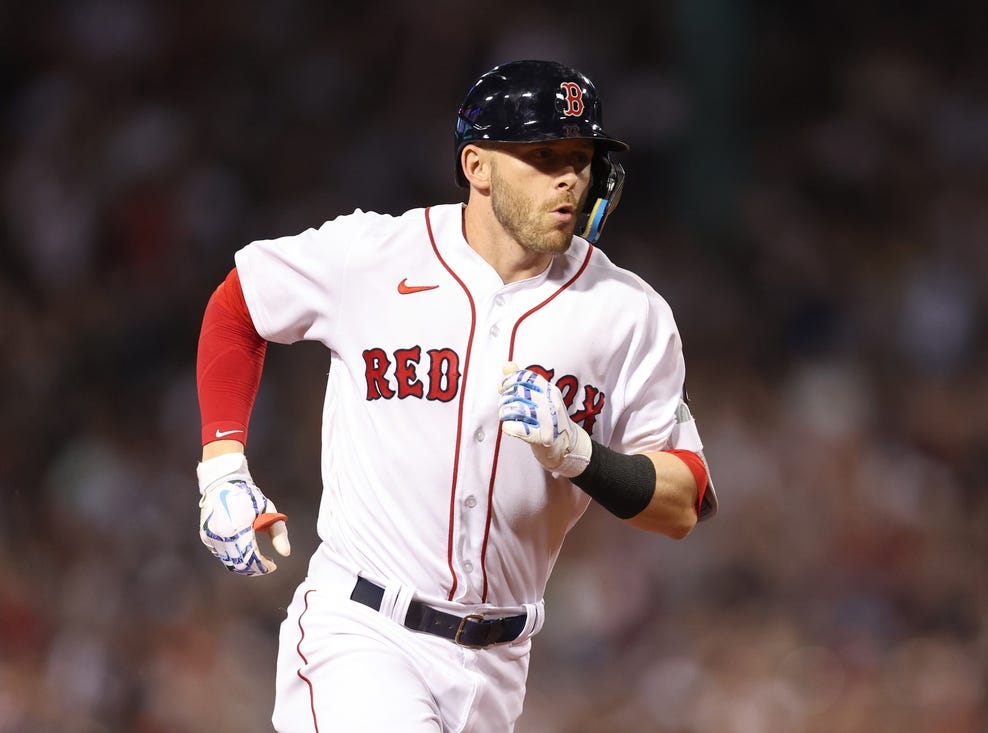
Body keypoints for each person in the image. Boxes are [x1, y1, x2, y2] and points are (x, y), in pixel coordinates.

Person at [194, 59, 717, 733]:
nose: (568, 176)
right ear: (478, 165)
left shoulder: (627, 313)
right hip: (362, 633)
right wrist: (222, 466)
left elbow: (685, 500)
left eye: (581, 157)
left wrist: (581, 454)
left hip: (500, 666)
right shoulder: (374, 255)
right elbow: (239, 305)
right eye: (542, 154)